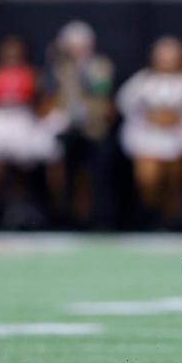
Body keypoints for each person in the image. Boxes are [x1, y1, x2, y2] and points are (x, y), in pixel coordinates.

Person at [0, 36, 65, 226]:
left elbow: (41, 102)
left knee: (22, 168)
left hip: (22, 119)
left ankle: (21, 210)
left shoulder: (32, 74)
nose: (11, 55)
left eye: (15, 50)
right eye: (8, 50)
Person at [118, 36, 182, 227]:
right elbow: (125, 104)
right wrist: (151, 117)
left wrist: (178, 118)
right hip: (149, 138)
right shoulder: (142, 81)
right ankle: (150, 215)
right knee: (148, 179)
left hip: (178, 138)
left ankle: (170, 219)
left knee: (174, 179)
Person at [47, 21, 115, 227]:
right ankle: (63, 215)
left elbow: (101, 93)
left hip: (94, 128)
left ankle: (96, 218)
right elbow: (53, 94)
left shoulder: (100, 65)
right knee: (58, 166)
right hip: (65, 129)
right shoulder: (60, 67)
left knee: (95, 171)